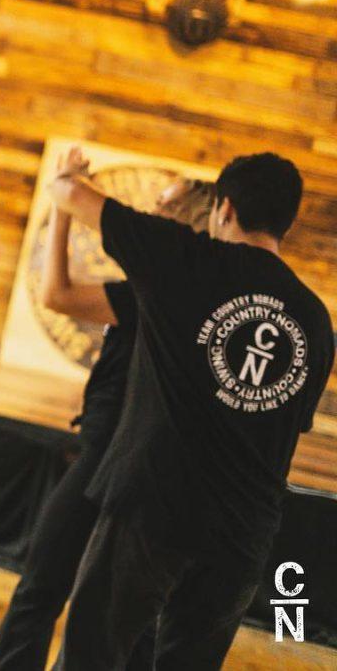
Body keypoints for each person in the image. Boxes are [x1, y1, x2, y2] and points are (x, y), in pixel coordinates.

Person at [49, 148, 333, 669]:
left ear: (224, 208)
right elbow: (287, 425)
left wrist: (69, 174)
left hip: (152, 508)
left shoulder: (182, 258)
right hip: (243, 532)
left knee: (90, 657)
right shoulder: (315, 321)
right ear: (287, 224)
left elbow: (68, 193)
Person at [0, 156, 213, 670]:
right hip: (122, 461)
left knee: (47, 593)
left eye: (166, 203)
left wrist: (65, 205)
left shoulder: (157, 294)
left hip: (110, 462)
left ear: (192, 220)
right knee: (123, 619)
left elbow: (56, 294)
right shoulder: (168, 293)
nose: (151, 208)